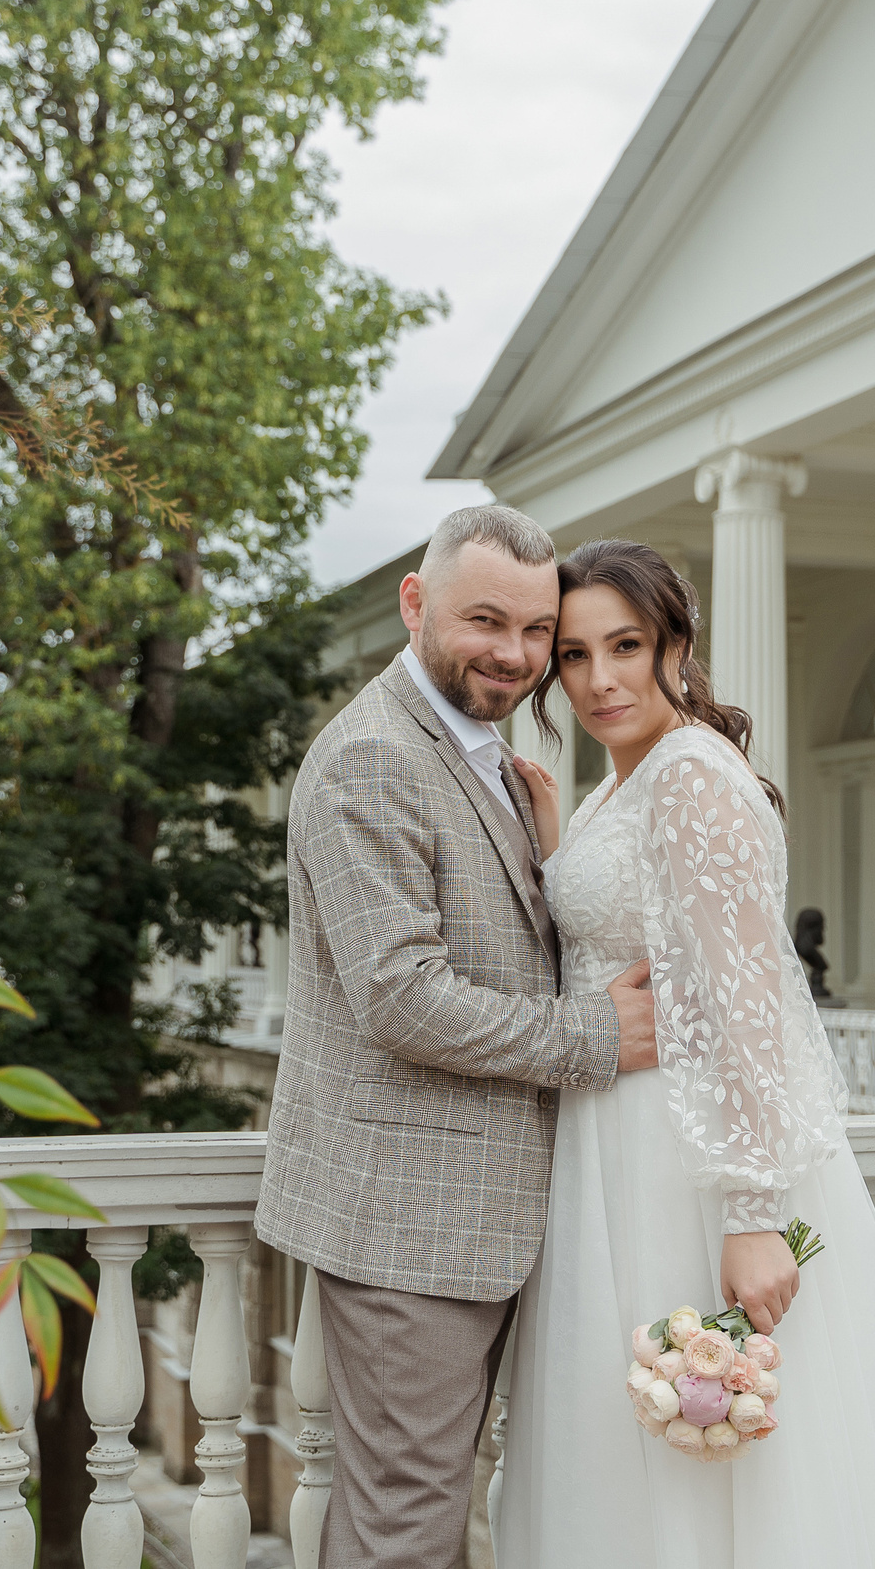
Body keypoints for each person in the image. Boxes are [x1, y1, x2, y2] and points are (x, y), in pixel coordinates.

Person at [501, 539, 875, 1569]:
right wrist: (560, 845)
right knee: (624, 1460)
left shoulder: (693, 775)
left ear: (677, 648)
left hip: (678, 1154)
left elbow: (745, 1005)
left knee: (712, 1470)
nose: (599, 679)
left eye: (626, 646)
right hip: (608, 1147)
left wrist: (749, 1215)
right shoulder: (621, 784)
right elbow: (632, 926)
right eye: (572, 655)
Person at [255, 506, 658, 1568]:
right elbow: (402, 997)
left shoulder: (483, 755)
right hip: (407, 1227)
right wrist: (593, 1037)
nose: (517, 656)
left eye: (538, 632)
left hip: (487, 1219)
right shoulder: (372, 758)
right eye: (488, 621)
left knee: (423, 1518)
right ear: (415, 602)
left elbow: (502, 943)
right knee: (405, 1531)